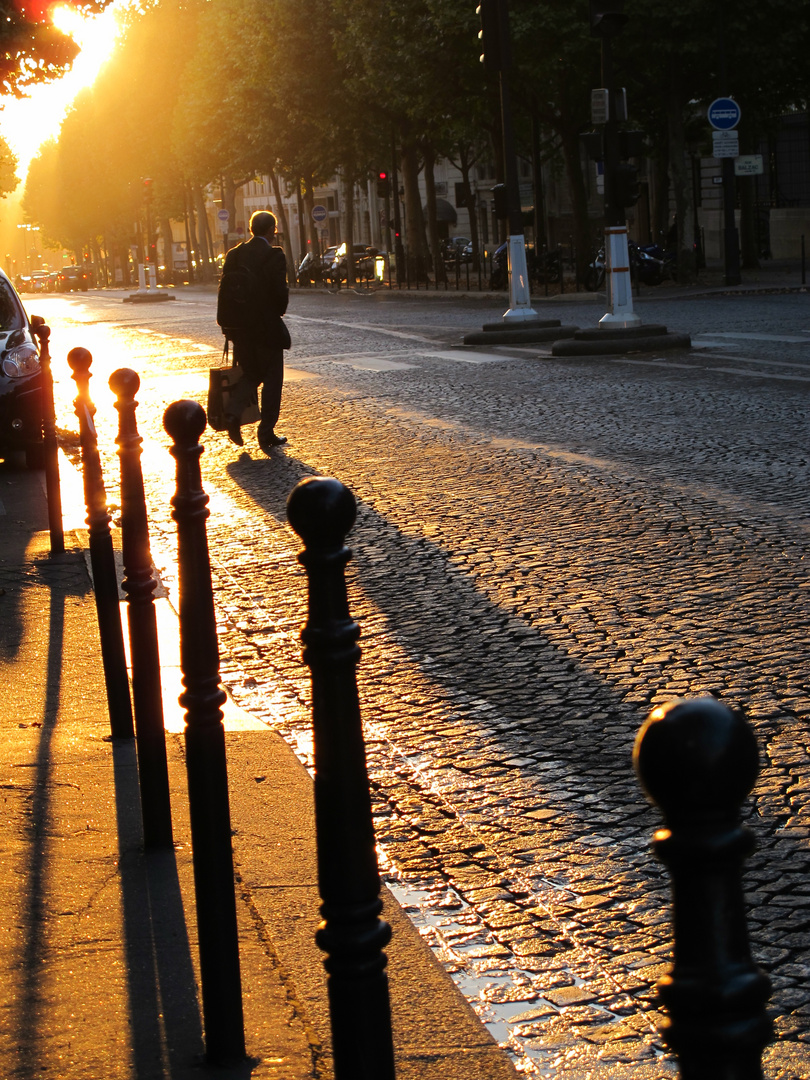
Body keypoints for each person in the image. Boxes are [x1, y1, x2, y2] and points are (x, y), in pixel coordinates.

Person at [221, 209, 289, 452]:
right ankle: (266, 432)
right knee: (272, 380)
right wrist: (275, 311)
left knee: (250, 373)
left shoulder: (235, 254)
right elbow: (280, 294)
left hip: (240, 329)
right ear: (271, 230)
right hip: (266, 327)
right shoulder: (274, 255)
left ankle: (232, 412)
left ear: (251, 229)